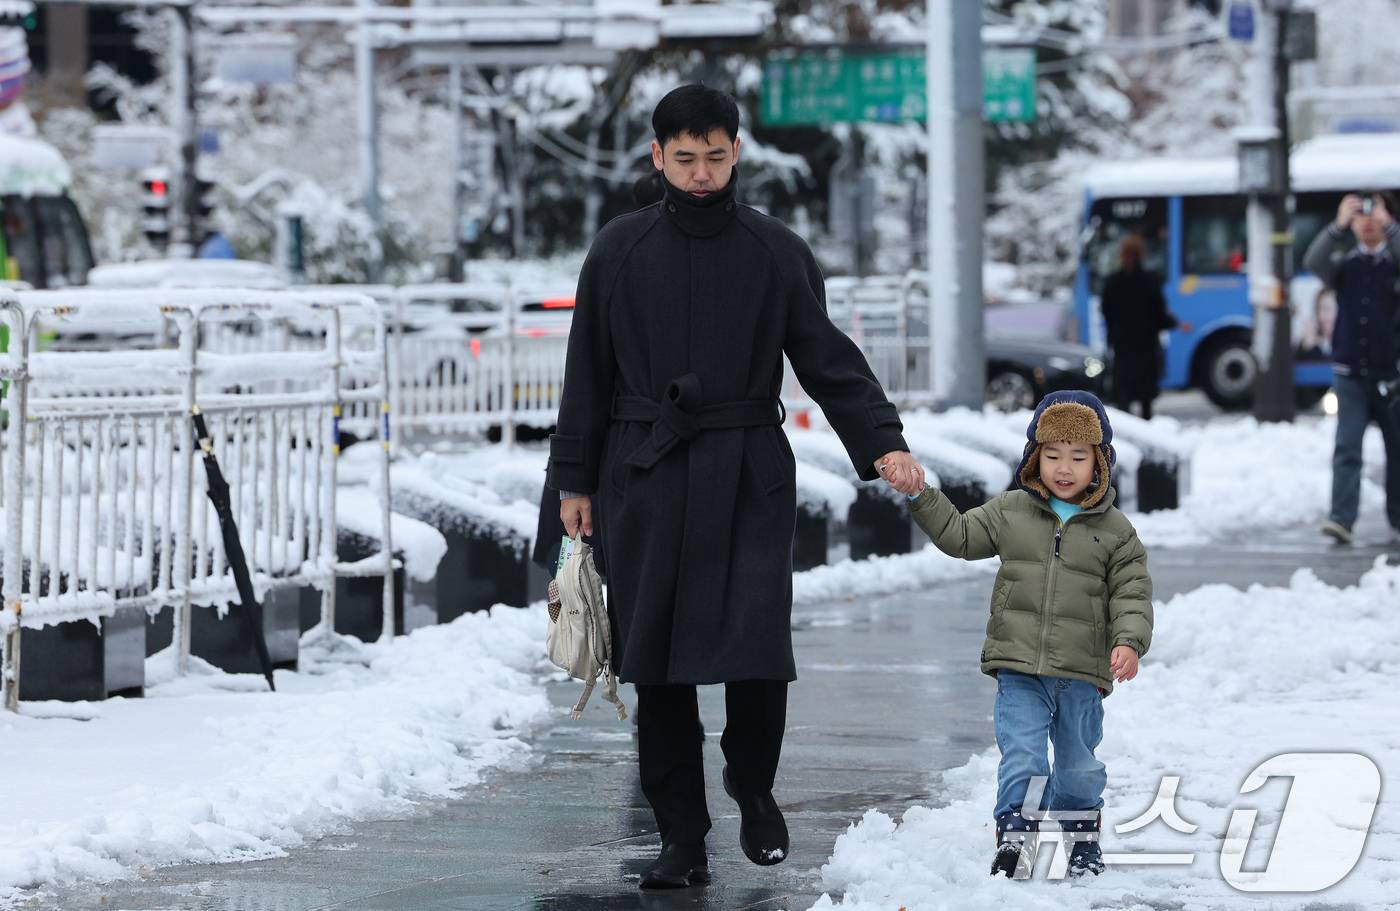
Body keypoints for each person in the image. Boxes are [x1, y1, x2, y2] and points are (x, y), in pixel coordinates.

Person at [546, 84, 925, 890]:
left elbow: (826, 356)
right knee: (659, 660)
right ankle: (681, 833)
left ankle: (752, 785)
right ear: (657, 156)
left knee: (757, 646)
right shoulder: (617, 250)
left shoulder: (773, 249)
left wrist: (882, 442)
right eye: (683, 158)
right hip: (642, 470)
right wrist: (572, 477)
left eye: (715, 156)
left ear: (736, 152)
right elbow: (586, 369)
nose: (701, 174)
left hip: (748, 467)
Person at [904, 390, 1152, 879]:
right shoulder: (1011, 510)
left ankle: (1081, 836)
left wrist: (1128, 640)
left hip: (1082, 672)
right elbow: (960, 535)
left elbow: (1132, 593)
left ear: (1099, 463)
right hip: (1019, 668)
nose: (1064, 468)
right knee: (1024, 755)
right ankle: (1015, 837)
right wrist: (921, 495)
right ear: (1033, 458)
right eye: (1052, 455)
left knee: (1079, 764)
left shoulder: (1117, 530)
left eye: (1078, 457)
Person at [1303, 191, 1400, 545]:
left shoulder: (1394, 258)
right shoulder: (1345, 263)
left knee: (1398, 448)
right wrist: (1337, 225)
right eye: (1361, 213)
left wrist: (1391, 225)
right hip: (1350, 373)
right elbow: (1313, 260)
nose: (1368, 219)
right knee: (1347, 447)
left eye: (1375, 211)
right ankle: (1341, 518)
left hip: (1393, 374)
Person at [1099, 235, 1177, 419]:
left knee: (1123, 394)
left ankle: (1126, 432)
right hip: (1146, 344)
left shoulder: (1113, 282)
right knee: (1145, 396)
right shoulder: (1151, 280)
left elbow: (1106, 311)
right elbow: (1160, 310)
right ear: (1142, 254)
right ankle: (1146, 431)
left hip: (1122, 345)